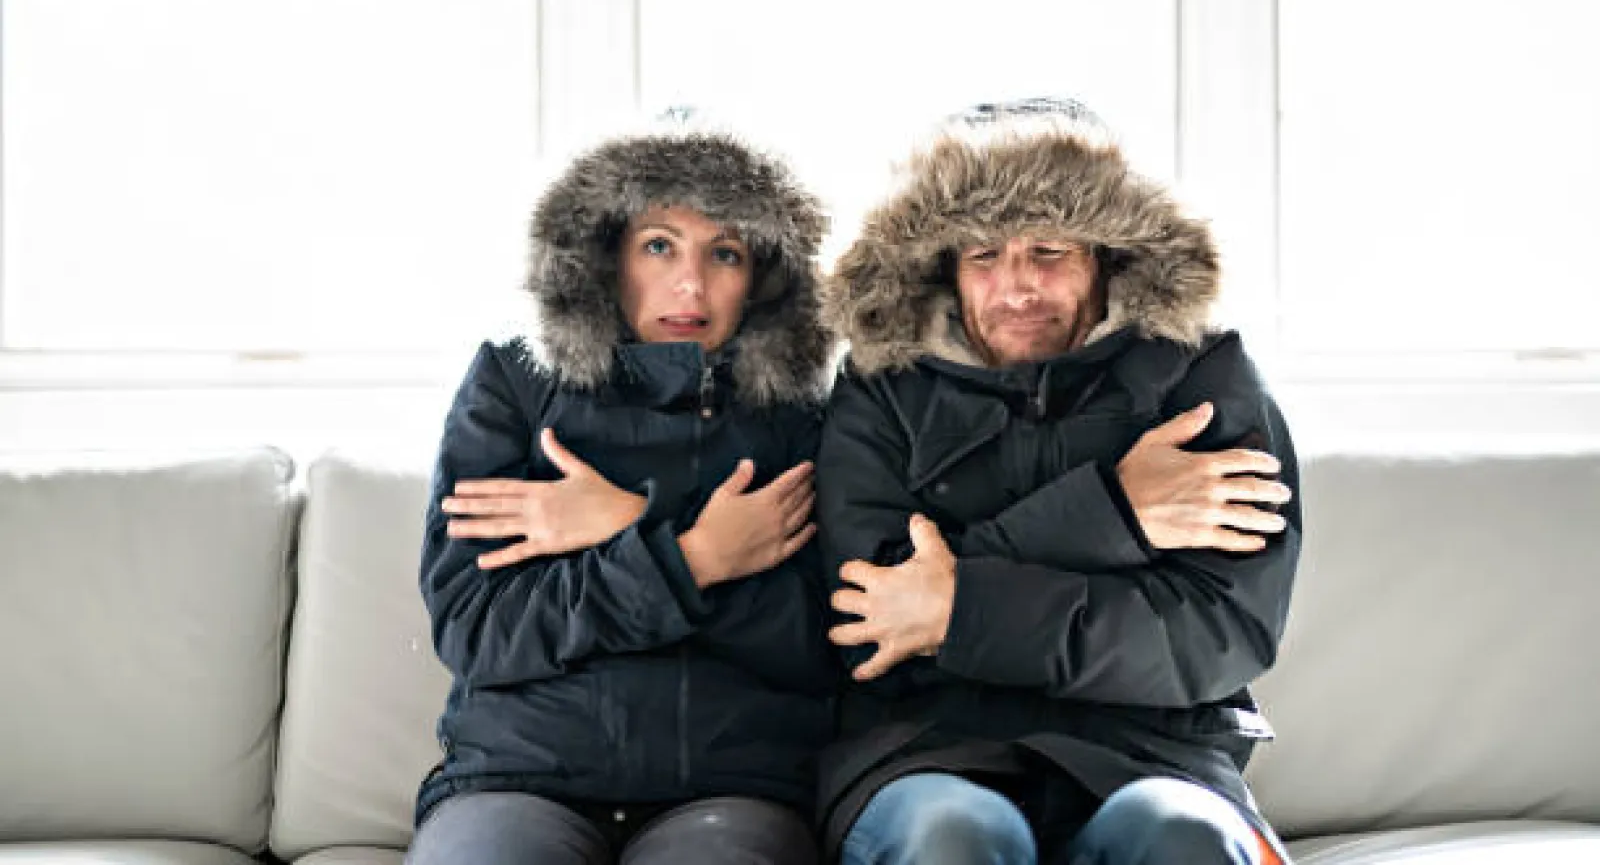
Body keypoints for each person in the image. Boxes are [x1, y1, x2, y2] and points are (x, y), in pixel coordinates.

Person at [814, 98, 1302, 864]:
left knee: (1184, 835)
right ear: (945, 265)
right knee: (957, 836)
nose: (1016, 288)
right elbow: (870, 620)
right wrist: (1111, 515)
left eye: (1048, 251)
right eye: (983, 257)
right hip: (928, 752)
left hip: (1157, 754)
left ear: (1107, 255)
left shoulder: (1203, 376)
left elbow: (1216, 635)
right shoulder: (882, 384)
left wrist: (957, 607)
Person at [408, 114, 837, 865]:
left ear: (763, 277)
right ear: (604, 257)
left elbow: (817, 644)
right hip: (518, 779)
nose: (690, 283)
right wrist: (693, 558)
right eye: (659, 245)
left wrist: (626, 518)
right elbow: (477, 627)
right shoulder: (514, 383)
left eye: (724, 253)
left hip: (729, 789)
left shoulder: (796, 415)